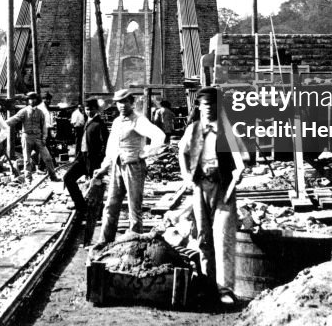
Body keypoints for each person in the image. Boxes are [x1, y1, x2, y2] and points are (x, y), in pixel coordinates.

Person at [177, 87, 247, 306]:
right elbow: (182, 151)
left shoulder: (229, 130)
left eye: (212, 105)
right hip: (200, 187)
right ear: (199, 107)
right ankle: (208, 286)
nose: (208, 109)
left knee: (223, 236)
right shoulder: (194, 129)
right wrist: (186, 176)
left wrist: (238, 172)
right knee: (204, 237)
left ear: (218, 107)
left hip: (223, 187)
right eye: (204, 105)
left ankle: (224, 289)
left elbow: (242, 157)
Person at [92, 89, 166, 242]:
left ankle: (134, 243)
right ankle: (105, 241)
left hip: (134, 167)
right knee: (111, 205)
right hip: (118, 166)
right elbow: (111, 148)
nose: (122, 105)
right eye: (119, 102)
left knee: (134, 208)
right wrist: (104, 167)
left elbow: (159, 136)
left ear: (131, 103)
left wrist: (144, 153)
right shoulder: (117, 122)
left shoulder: (139, 120)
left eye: (125, 102)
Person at [63, 98, 109, 213]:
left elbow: (106, 145)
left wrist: (100, 160)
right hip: (83, 158)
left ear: (97, 110)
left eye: (92, 109)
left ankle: (97, 211)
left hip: (94, 160)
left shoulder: (100, 124)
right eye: (87, 109)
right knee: (68, 178)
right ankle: (81, 206)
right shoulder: (87, 122)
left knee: (95, 185)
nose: (89, 112)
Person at [7, 91, 60, 182]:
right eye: (30, 99)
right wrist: (2, 124)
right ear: (28, 100)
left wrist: (44, 138)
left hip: (38, 138)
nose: (32, 101)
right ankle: (28, 179)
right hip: (27, 138)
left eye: (33, 99)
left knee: (47, 158)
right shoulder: (24, 111)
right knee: (27, 160)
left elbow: (44, 126)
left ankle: (53, 176)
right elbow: (15, 119)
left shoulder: (40, 112)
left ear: (37, 100)